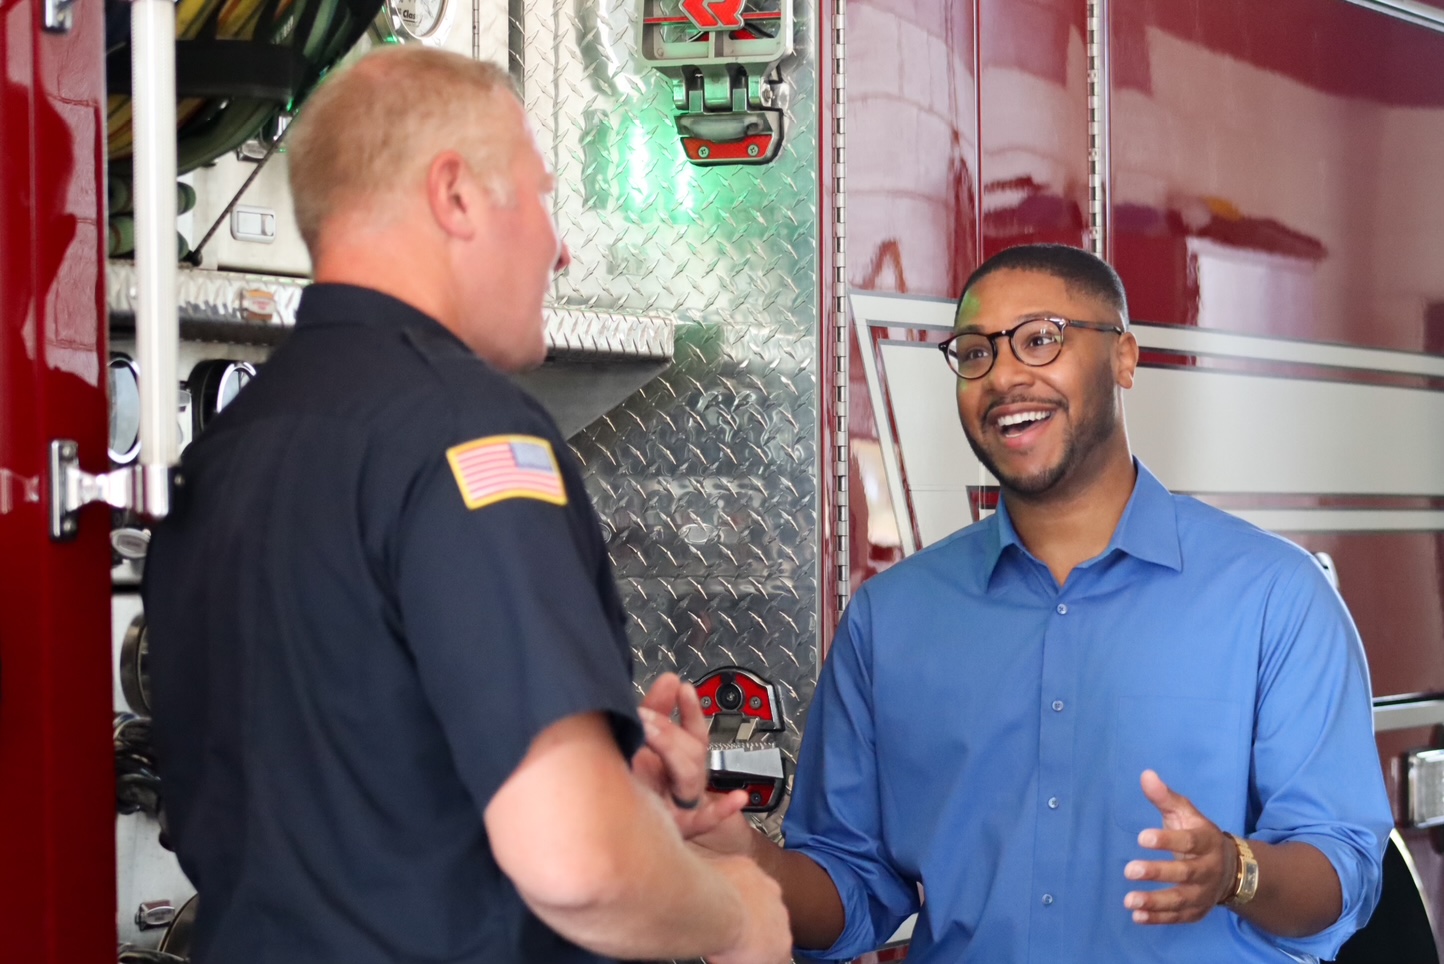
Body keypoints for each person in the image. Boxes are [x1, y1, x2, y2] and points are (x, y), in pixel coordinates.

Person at [141, 46, 790, 964]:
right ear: (454, 195)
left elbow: (349, 798)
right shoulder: (472, 437)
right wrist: (734, 910)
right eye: (539, 198)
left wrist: (614, 793)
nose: (561, 248)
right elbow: (577, 864)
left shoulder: (227, 452)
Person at [694, 244, 1393, 962]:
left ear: (1124, 358)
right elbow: (849, 886)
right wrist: (742, 858)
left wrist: (1234, 871)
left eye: (1040, 340)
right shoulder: (890, 620)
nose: (1003, 377)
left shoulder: (1274, 596)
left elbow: (1342, 870)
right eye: (976, 353)